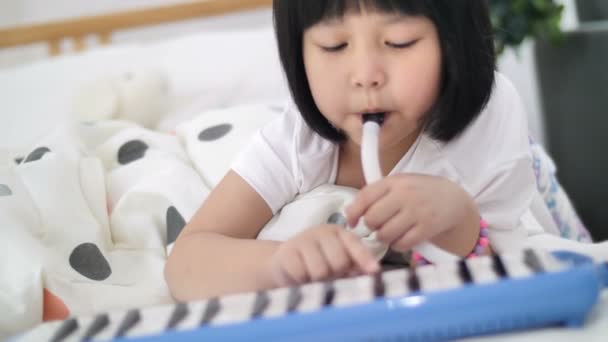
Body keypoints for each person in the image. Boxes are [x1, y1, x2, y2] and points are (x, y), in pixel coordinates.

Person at [165, 0, 555, 301]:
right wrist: (279, 263)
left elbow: (510, 270)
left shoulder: (489, 117)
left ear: (455, 42)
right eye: (334, 46)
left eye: (399, 42)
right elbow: (185, 263)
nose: (365, 74)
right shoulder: (298, 139)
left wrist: (460, 220)